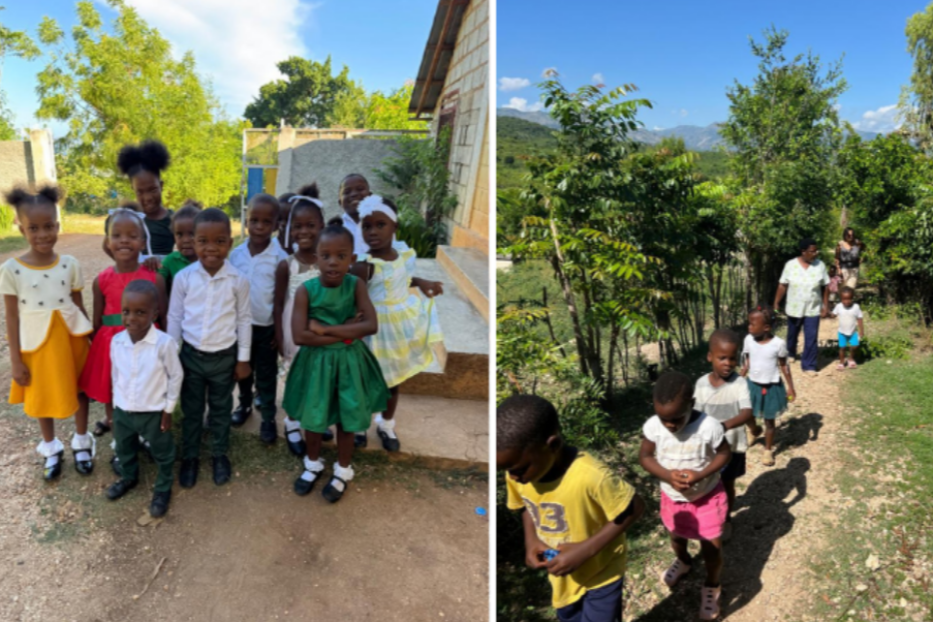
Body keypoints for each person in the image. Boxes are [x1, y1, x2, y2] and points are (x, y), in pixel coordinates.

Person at [498, 394, 643, 622]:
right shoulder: (518, 475)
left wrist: (585, 550)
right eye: (507, 471)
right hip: (562, 579)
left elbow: (634, 507)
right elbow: (525, 506)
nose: (513, 477)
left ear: (552, 445)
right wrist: (531, 540)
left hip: (601, 573)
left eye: (519, 469)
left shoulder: (591, 476)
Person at [281, 224, 388, 502]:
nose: (333, 262)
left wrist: (325, 329)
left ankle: (343, 469)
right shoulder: (306, 291)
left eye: (341, 256)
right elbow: (300, 335)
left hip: (350, 365)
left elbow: (371, 325)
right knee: (314, 417)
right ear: (315, 258)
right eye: (325, 255)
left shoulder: (356, 285)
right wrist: (347, 333)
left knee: (347, 418)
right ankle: (312, 463)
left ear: (351, 259)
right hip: (315, 365)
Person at [0, 185, 95, 480]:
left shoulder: (70, 264)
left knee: (79, 389)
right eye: (34, 228)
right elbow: (12, 317)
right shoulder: (11, 270)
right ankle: (51, 447)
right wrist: (15, 359)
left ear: (57, 223)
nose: (43, 234)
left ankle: (81, 441)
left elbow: (79, 305)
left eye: (49, 226)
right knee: (41, 394)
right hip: (36, 345)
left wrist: (93, 339)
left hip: (71, 340)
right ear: (21, 226)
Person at [350, 195, 444, 452]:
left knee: (393, 380)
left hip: (399, 329)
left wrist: (422, 282)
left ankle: (386, 423)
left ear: (394, 227)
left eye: (381, 225)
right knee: (365, 380)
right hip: (372, 332)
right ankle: (360, 424)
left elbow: (403, 278)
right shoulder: (364, 265)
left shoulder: (402, 255)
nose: (373, 232)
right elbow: (353, 296)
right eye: (366, 226)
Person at [167, 208, 252, 488]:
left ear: (229, 243)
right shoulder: (184, 278)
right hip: (191, 356)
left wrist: (243, 359)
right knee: (191, 410)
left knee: (220, 408)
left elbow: (243, 320)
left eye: (219, 241)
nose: (211, 248)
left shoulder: (238, 281)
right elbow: (175, 317)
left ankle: (219, 454)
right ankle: (190, 457)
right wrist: (171, 355)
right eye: (203, 241)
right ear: (194, 241)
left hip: (224, 358)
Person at [639, 371, 731, 621]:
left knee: (711, 547)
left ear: (691, 403)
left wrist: (701, 474)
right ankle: (684, 561)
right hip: (673, 498)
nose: (670, 425)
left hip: (707, 497)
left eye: (676, 418)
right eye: (663, 418)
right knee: (676, 538)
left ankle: (712, 585)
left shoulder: (708, 426)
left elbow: (724, 454)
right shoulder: (653, 427)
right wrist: (668, 476)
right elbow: (645, 457)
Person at [83, 208, 167, 445]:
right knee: (114, 388)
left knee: (147, 385)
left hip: (146, 343)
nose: (124, 240)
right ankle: (119, 434)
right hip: (111, 345)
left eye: (132, 235)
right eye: (117, 235)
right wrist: (100, 347)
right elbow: (97, 320)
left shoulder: (155, 277)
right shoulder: (101, 280)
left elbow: (164, 315)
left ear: (142, 242)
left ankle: (148, 431)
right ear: (108, 242)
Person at [105, 279, 182, 518]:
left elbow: (176, 376)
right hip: (124, 411)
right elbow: (115, 374)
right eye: (126, 312)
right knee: (124, 447)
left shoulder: (164, 344)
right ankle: (129, 477)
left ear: (154, 313)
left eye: (140, 312)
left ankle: (162, 488)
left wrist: (168, 410)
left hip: (153, 412)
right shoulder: (117, 342)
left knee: (163, 451)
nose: (131, 319)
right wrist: (117, 408)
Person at [229, 193, 288, 444]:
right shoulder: (236, 254)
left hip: (266, 327)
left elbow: (283, 298)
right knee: (243, 369)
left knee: (266, 373)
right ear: (246, 221)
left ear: (276, 225)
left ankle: (268, 419)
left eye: (267, 222)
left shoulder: (280, 257)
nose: (260, 227)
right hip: (240, 327)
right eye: (254, 220)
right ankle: (242, 406)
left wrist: (279, 330)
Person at [273, 187, 325, 456]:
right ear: (290, 229)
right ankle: (292, 422)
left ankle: (316, 418)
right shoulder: (287, 265)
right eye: (298, 226)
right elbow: (280, 303)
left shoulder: (329, 263)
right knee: (296, 378)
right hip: (294, 333)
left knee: (319, 377)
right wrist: (281, 338)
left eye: (311, 225)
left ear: (322, 226)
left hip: (322, 334)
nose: (304, 232)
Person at [693, 328, 753, 541]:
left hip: (732, 446)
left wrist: (723, 426)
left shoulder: (739, 384)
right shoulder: (701, 384)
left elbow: (747, 412)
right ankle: (707, 517)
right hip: (708, 448)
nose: (727, 363)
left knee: (727, 484)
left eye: (732, 358)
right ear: (710, 357)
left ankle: (726, 519)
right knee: (706, 483)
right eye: (722, 358)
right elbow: (695, 414)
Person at [741, 306, 796, 466]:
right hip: (752, 384)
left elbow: (784, 366)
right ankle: (754, 430)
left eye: (752, 324)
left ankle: (768, 449)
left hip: (772, 387)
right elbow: (747, 359)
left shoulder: (778, 344)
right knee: (746, 413)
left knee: (769, 421)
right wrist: (742, 374)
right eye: (749, 323)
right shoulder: (748, 339)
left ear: (766, 328)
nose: (749, 327)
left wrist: (791, 387)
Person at [107, 140, 175, 257]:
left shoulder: (173, 220)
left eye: (152, 190)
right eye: (140, 192)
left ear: (161, 185)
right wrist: (126, 264)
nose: (147, 197)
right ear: (133, 188)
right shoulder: (127, 219)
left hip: (166, 275)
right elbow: (107, 245)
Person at [773, 238, 830, 376]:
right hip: (794, 307)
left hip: (813, 308)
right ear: (803, 252)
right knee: (792, 333)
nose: (815, 253)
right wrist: (776, 302)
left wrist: (825, 305)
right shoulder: (790, 265)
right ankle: (791, 352)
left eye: (816, 250)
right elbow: (783, 284)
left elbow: (826, 285)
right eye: (812, 251)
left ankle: (809, 365)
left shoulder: (820, 266)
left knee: (811, 337)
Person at [157, 203, 201, 299]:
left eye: (191, 234)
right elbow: (157, 279)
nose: (185, 240)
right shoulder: (171, 260)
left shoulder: (207, 260)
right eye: (179, 235)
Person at [338, 173, 372, 257]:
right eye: (347, 192)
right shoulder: (337, 228)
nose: (354, 194)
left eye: (360, 189)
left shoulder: (380, 224)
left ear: (371, 196)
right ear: (340, 202)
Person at [831, 286, 865, 371]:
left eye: (849, 299)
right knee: (842, 348)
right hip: (842, 332)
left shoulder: (856, 307)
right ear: (841, 298)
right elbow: (834, 314)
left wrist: (861, 330)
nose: (846, 301)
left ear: (852, 298)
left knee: (855, 346)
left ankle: (850, 359)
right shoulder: (839, 306)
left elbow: (860, 318)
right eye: (844, 299)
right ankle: (842, 362)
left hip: (853, 332)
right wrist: (828, 313)